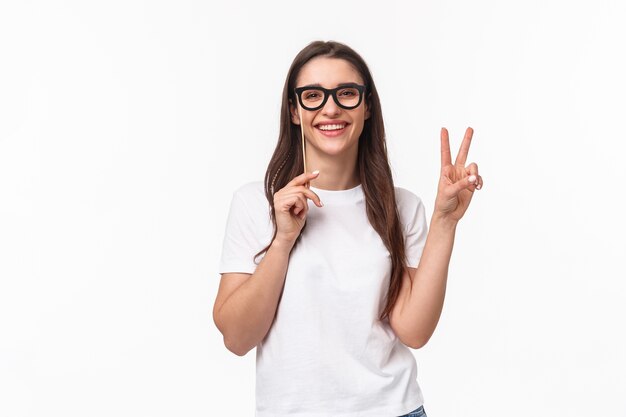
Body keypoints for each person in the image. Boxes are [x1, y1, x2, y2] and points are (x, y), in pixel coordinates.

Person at [213, 40, 482, 417]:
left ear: (367, 105)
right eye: (313, 95)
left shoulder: (402, 207)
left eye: (346, 93)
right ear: (294, 110)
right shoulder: (256, 204)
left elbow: (414, 331)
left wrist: (444, 221)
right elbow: (237, 338)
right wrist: (283, 240)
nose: (331, 107)